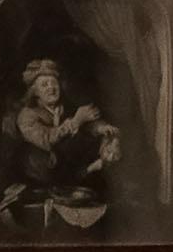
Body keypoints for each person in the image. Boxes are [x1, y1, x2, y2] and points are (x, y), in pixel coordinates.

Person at [9, 58, 120, 194]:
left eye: (54, 83)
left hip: (66, 171)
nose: (51, 88)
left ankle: (88, 172)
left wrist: (101, 128)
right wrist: (75, 122)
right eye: (44, 85)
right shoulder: (27, 115)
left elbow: (87, 122)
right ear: (35, 91)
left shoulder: (64, 107)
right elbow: (46, 139)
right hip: (39, 177)